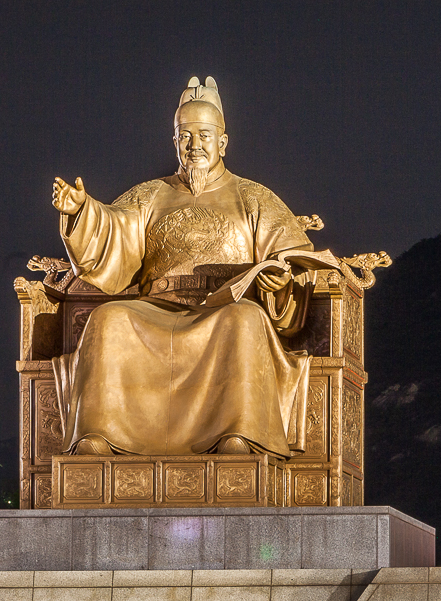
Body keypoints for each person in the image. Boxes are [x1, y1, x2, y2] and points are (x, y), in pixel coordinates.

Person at [49, 76, 331, 458]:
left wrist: (279, 280)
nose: (194, 145)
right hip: (157, 307)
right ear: (175, 142)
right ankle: (100, 436)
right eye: (185, 136)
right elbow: (114, 231)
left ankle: (239, 435)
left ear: (223, 142)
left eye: (204, 135)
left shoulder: (255, 197)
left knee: (244, 322)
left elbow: (296, 258)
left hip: (224, 309)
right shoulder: (150, 195)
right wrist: (82, 211)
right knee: (108, 320)